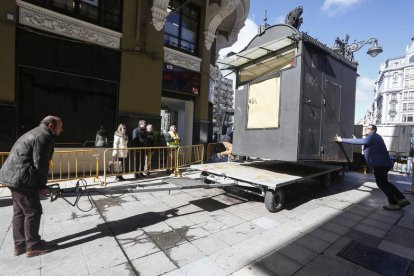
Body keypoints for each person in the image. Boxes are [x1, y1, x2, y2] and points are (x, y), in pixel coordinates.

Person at [0, 115, 63, 257]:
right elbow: (40, 163)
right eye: (60, 126)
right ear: (51, 125)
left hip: (13, 176)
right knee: (33, 211)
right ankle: (33, 246)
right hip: (22, 179)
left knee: (20, 211)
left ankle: (20, 245)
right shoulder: (44, 136)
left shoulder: (35, 132)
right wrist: (41, 186)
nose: (62, 129)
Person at [334, 124, 410, 210]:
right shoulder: (375, 137)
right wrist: (356, 140)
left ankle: (393, 203)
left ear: (373, 130)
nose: (366, 129)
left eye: (368, 128)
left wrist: (341, 140)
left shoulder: (372, 137)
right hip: (383, 164)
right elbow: (362, 141)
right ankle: (401, 199)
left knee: (382, 184)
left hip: (380, 165)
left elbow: (360, 142)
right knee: (385, 183)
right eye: (366, 128)